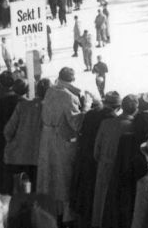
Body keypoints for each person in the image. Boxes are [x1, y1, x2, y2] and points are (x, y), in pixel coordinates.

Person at [37, 68, 91, 225]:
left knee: (48, 177)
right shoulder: (69, 97)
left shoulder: (50, 90)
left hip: (46, 139)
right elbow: (77, 123)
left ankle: (50, 213)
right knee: (64, 179)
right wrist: (86, 106)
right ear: (72, 80)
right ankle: (67, 217)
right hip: (61, 141)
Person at [92, 94, 138, 227]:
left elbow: (96, 152)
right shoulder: (133, 127)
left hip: (104, 166)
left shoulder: (106, 123)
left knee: (101, 202)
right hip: (121, 172)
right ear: (135, 109)